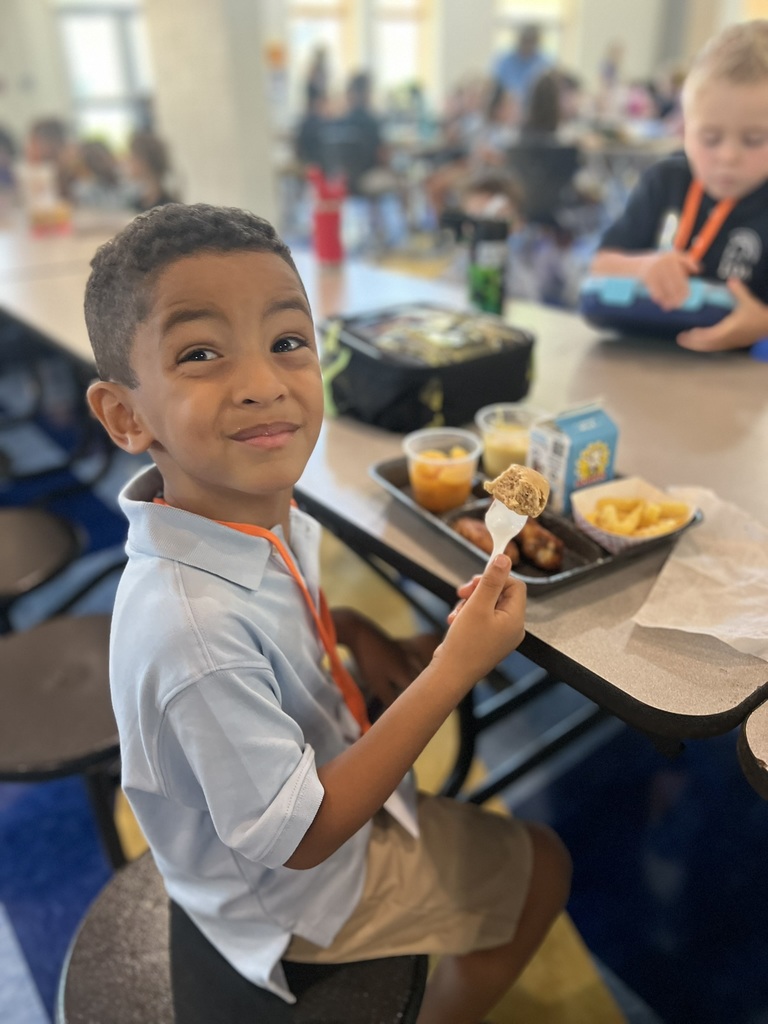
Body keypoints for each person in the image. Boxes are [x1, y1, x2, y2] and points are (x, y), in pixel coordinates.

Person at [84, 202, 571, 1024]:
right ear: (127, 415)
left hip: (299, 812)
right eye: (201, 353)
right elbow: (305, 836)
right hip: (294, 896)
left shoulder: (246, 507)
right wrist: (456, 668)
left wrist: (353, 631)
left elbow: (278, 604)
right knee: (545, 868)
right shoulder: (190, 633)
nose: (264, 384)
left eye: (287, 342)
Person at [589, 20, 768, 352]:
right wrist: (642, 267)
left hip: (742, 380)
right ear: (684, 129)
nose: (728, 156)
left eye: (755, 139)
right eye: (710, 138)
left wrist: (762, 324)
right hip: (640, 357)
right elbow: (601, 263)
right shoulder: (665, 180)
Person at [492, 24, 551, 108]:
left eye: (531, 41)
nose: (527, 44)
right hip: (507, 107)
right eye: (525, 40)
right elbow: (495, 85)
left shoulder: (544, 63)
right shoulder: (504, 61)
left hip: (535, 107)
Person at [126, 129, 178, 212]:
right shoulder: (136, 201)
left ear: (145, 161)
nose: (128, 162)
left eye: (133, 158)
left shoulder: (169, 207)